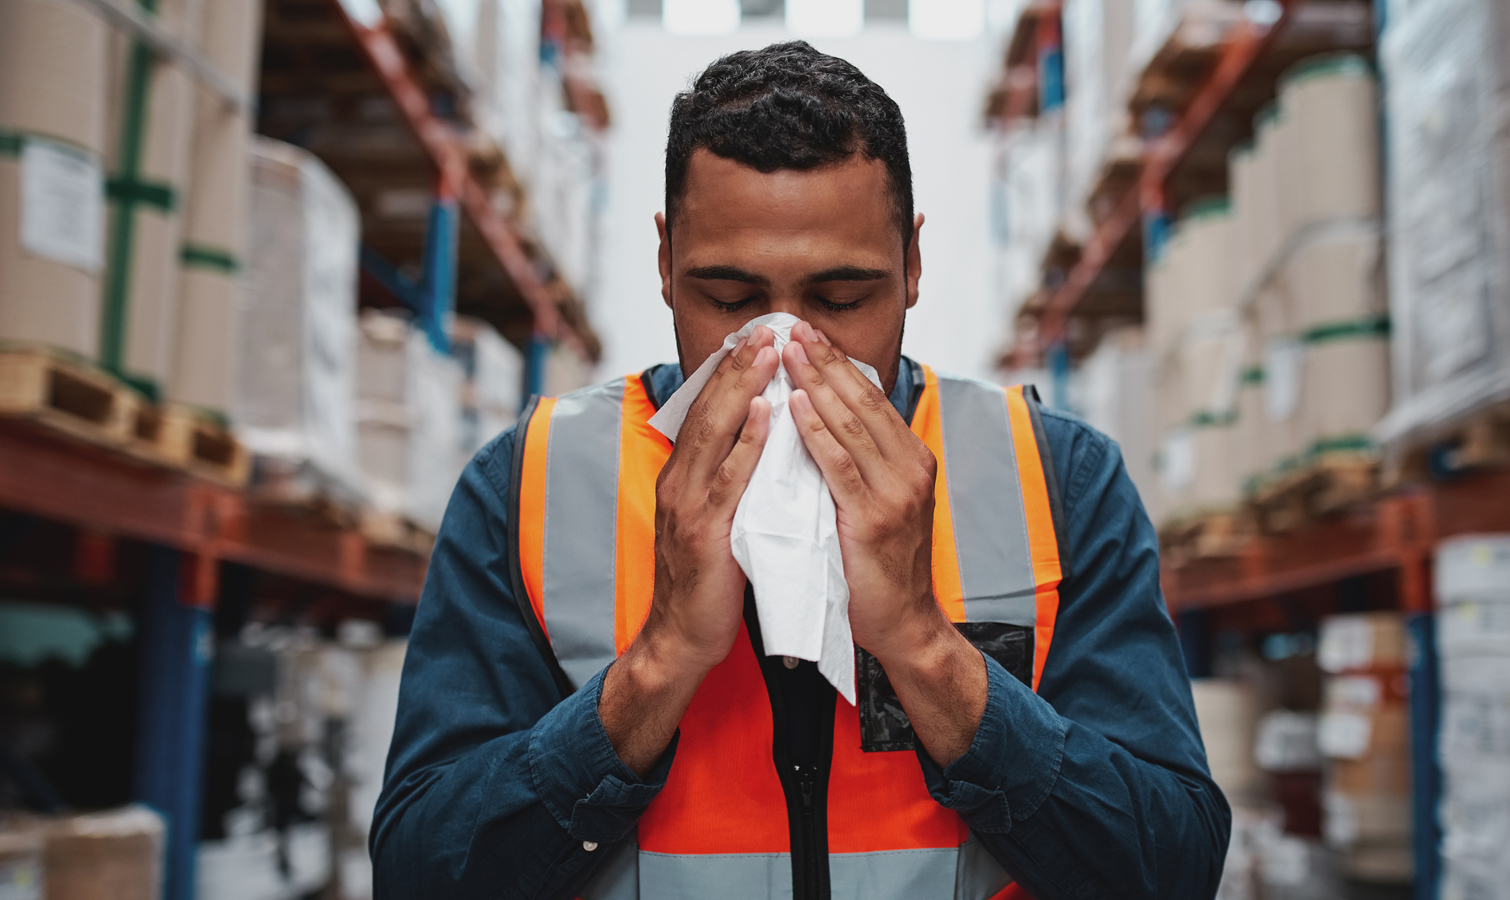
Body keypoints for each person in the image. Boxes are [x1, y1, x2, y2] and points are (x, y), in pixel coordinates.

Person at [372, 41, 1228, 900]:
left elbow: (1171, 866)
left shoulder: (1055, 479)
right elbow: (421, 870)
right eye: (731, 299)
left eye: (842, 300)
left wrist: (927, 652)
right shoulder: (530, 485)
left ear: (913, 267)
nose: (785, 350)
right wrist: (658, 663)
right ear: (666, 264)